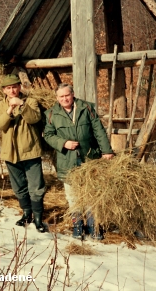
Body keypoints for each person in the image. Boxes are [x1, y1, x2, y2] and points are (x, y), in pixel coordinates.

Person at [44, 83, 113, 240]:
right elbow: (48, 135)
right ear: (57, 98)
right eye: (61, 96)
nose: (65, 98)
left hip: (89, 157)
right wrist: (63, 143)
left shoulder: (86, 108)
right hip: (67, 160)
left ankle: (93, 226)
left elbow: (98, 130)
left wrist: (107, 150)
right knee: (72, 195)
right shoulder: (51, 114)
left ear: (72, 94)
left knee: (91, 192)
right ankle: (78, 226)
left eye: (67, 95)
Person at [0, 74, 47, 233]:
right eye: (8, 88)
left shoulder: (31, 101)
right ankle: (26, 213)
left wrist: (22, 105)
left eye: (15, 86)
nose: (12, 90)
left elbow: (34, 119)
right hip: (10, 153)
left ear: (20, 86)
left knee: (36, 186)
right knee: (19, 186)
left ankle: (38, 218)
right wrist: (9, 109)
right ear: (4, 90)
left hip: (30, 151)